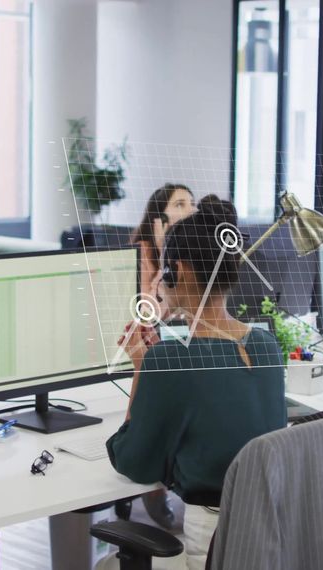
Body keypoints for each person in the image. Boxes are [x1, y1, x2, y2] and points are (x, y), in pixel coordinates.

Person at [108, 195, 287, 569]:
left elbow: (133, 463)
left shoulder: (171, 360)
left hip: (211, 547)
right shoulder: (267, 347)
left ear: (181, 272)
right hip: (269, 541)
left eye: (166, 270)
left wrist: (142, 367)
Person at [124, 182, 198, 530]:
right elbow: (147, 314)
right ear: (159, 218)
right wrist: (165, 251)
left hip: (171, 351)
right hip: (139, 351)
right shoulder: (140, 253)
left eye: (191, 203)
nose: (190, 209)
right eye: (180, 203)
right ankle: (153, 491)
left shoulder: (189, 253)